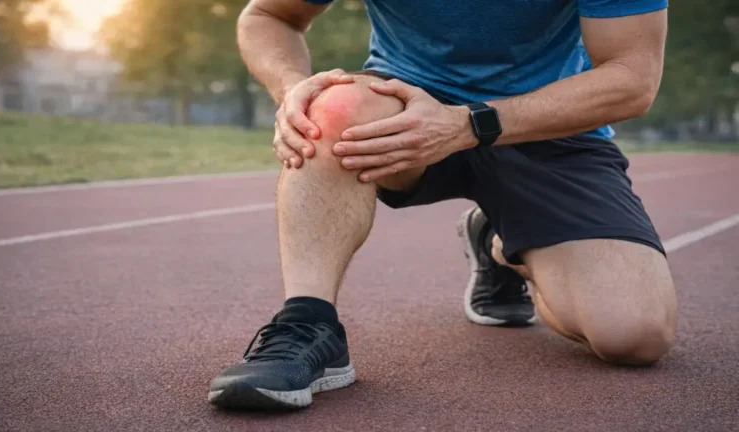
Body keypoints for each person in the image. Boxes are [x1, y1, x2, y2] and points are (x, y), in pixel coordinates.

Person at [208, 0, 678, 410]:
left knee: (634, 335)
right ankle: (308, 324)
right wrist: (291, 86)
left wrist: (468, 123)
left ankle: (503, 243)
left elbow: (632, 77)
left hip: (547, 126)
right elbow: (269, 14)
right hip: (406, 105)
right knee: (330, 109)